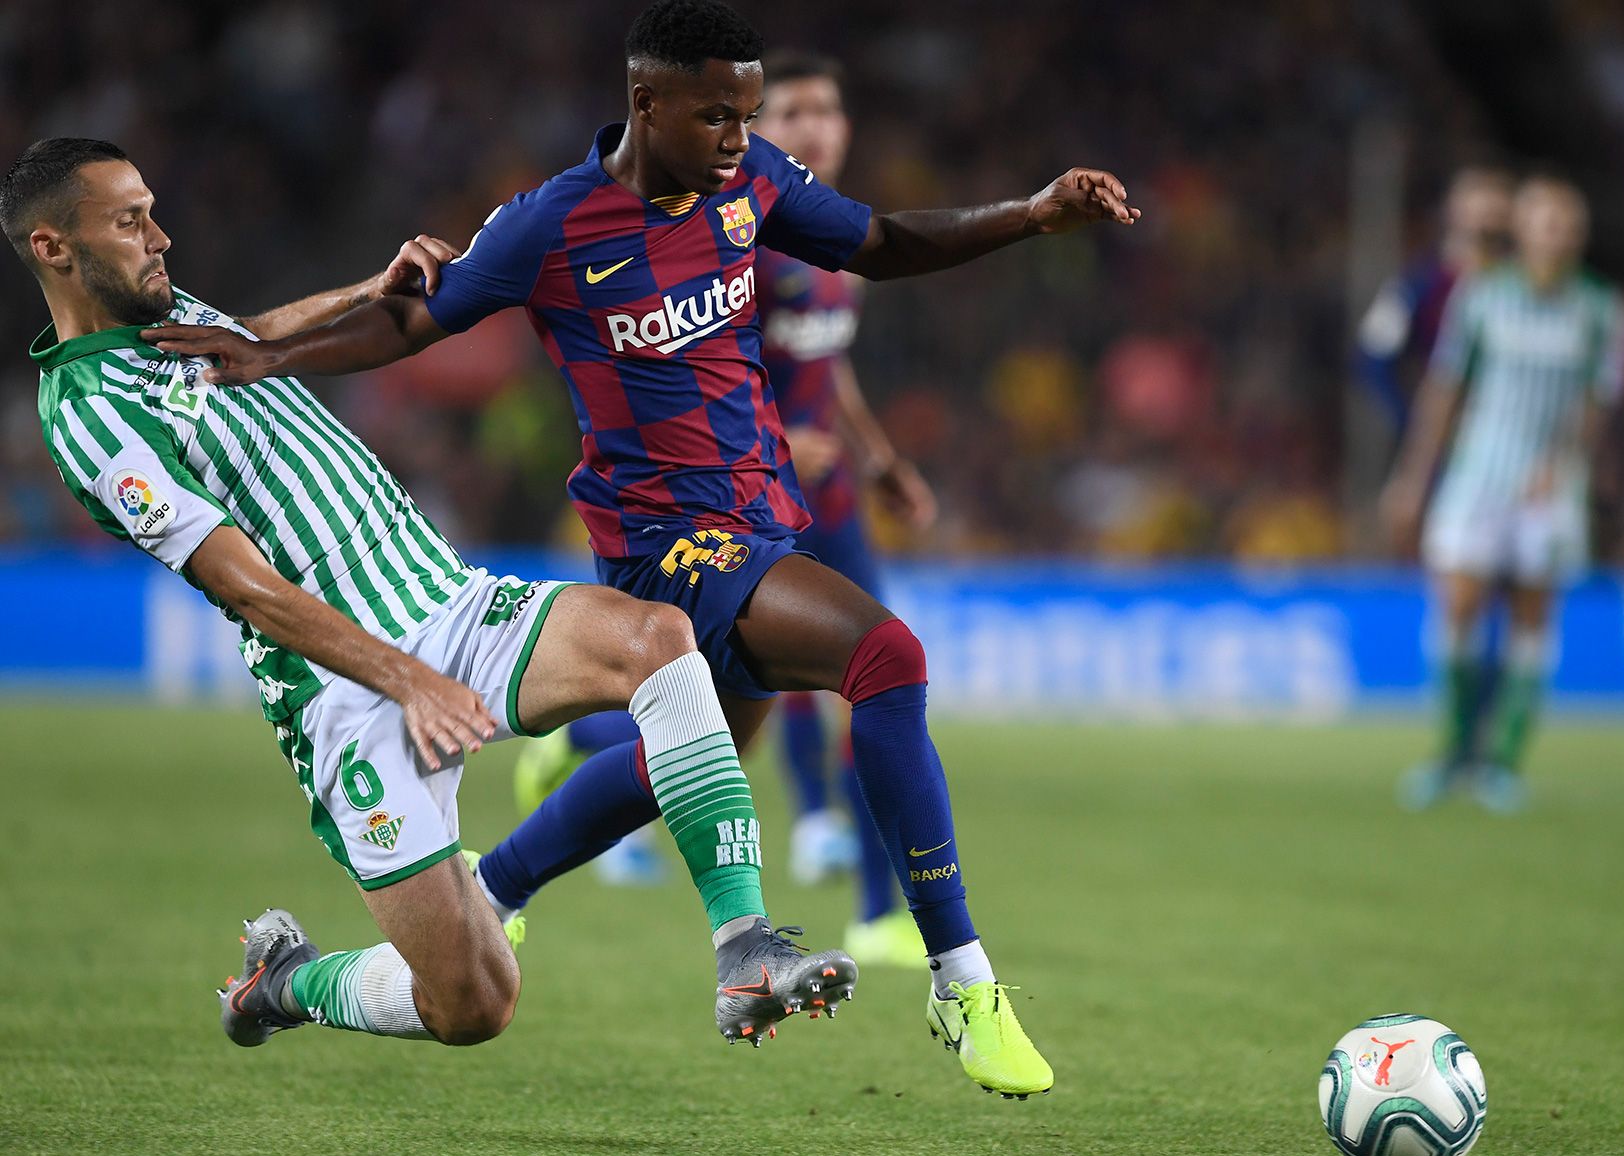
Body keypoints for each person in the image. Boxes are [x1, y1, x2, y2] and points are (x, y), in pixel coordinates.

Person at [147, 0, 1139, 1098]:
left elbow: (882, 243)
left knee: (695, 759)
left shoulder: (753, 183)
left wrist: (1030, 215)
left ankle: (494, 887)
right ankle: (964, 983)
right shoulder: (551, 223)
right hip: (666, 545)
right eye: (717, 115)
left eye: (747, 116)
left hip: (763, 519)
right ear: (645, 102)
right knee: (886, 658)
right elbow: (409, 322)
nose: (737, 138)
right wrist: (263, 356)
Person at [5, 136, 850, 1054]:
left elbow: (249, 343)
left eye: (152, 210)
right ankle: (286, 982)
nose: (160, 237)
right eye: (130, 222)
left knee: (659, 637)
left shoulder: (159, 317)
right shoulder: (87, 415)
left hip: (443, 595)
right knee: (474, 1002)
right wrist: (409, 681)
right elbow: (248, 589)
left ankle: (745, 950)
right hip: (346, 689)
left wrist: (367, 290)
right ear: (54, 248)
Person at [514, 48, 937, 970]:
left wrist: (878, 457)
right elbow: (707, 370)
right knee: (740, 710)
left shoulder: (833, 253)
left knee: (870, 681)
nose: (813, 126)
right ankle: (590, 741)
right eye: (792, 111)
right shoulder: (741, 229)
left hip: (829, 503)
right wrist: (785, 439)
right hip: (734, 505)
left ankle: (876, 908)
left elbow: (832, 367)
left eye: (829, 108)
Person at [1380, 174, 1624, 812]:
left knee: (1531, 615)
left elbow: (1598, 403)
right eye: (1547, 222)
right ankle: (1453, 751)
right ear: (1522, 230)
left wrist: (1570, 463)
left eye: (1569, 225)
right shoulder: (1483, 297)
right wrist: (1413, 479)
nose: (1559, 235)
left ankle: (1503, 761)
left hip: (1548, 487)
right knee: (1458, 604)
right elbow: (1444, 390)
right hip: (1478, 476)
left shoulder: (1601, 308)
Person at [1356, 166, 1514, 429]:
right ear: (1454, 213)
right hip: (1443, 442)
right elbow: (1373, 359)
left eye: (1496, 217)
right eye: (1479, 216)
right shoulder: (1418, 283)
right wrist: (1414, 423)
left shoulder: (1520, 291)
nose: (1487, 225)